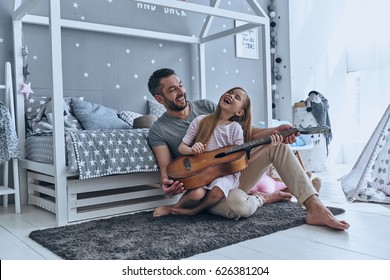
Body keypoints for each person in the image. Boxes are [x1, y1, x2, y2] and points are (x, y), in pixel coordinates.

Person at [147, 68, 349, 230]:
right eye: (172, 90)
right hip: (203, 189)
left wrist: (275, 130)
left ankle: (316, 208)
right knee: (239, 207)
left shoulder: (206, 107)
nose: (181, 92)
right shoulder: (158, 130)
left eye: (180, 85)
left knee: (276, 147)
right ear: (159, 99)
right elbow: (166, 170)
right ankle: (265, 197)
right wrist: (167, 187)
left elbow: (246, 133)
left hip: (231, 174)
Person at [153, 87, 284, 217]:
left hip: (225, 175)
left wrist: (266, 146)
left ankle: (195, 211)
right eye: (230, 92)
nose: (231, 95)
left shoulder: (235, 129)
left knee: (217, 191)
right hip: (203, 171)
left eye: (237, 97)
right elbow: (182, 147)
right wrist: (191, 149)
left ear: (239, 112)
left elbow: (242, 158)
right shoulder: (200, 120)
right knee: (196, 194)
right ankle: (174, 208)